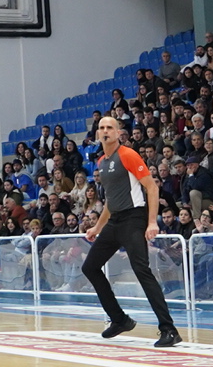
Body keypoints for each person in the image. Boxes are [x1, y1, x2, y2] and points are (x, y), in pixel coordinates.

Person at [81, 118, 180, 346]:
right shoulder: (101, 162)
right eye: (102, 128)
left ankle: (169, 329)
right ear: (98, 133)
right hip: (115, 221)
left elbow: (152, 187)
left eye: (109, 128)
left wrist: (151, 222)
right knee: (90, 267)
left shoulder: (128, 155)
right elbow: (110, 201)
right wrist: (98, 227)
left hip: (134, 219)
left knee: (141, 270)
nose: (105, 131)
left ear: (118, 132)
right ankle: (119, 319)